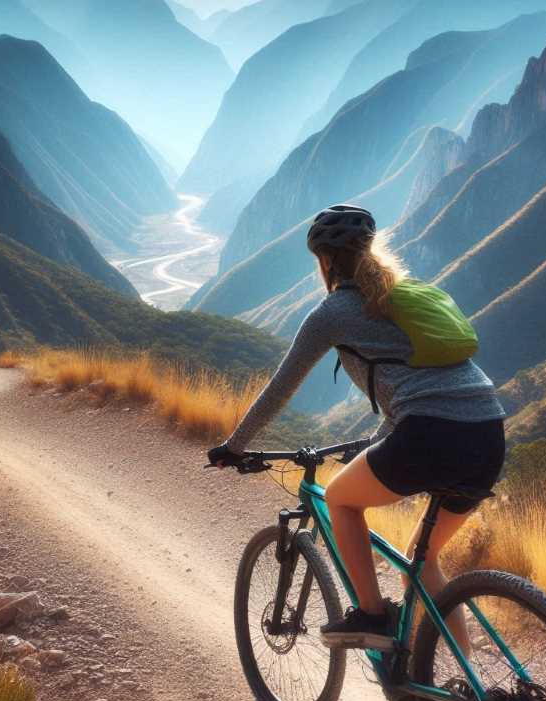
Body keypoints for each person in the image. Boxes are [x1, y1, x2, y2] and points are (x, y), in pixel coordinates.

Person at [208, 204, 505, 651]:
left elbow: (280, 389)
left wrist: (234, 446)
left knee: (341, 500)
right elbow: (416, 386)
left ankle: (372, 615)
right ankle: (472, 687)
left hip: (428, 435)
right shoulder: (403, 296)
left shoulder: (333, 313)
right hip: (487, 433)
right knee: (423, 561)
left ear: (324, 262)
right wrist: (377, 443)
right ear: (370, 250)